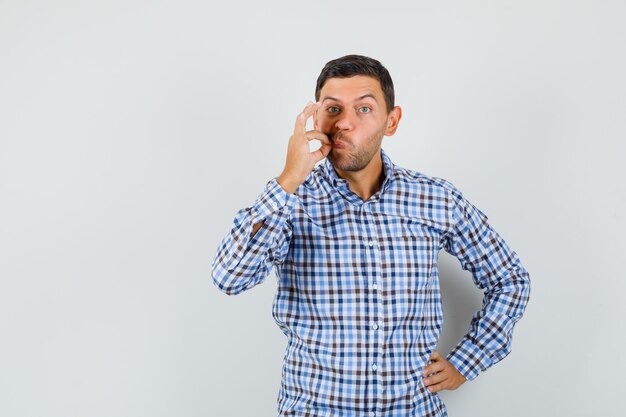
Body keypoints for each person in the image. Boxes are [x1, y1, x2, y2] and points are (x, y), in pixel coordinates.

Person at [211, 54, 530, 417]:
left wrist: (468, 361)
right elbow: (229, 277)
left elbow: (510, 279)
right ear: (315, 118)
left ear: (391, 121)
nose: (344, 123)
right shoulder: (290, 201)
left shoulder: (437, 199)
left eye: (364, 109)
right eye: (332, 109)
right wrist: (288, 178)